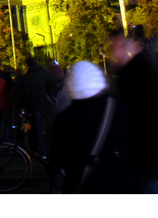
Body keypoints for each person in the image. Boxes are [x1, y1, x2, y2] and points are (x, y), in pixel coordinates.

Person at [108, 28, 158, 193]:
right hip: (142, 157)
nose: (115, 53)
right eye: (113, 48)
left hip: (146, 156)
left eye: (118, 47)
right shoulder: (130, 73)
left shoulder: (141, 74)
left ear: (129, 46)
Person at [48, 60, 131, 193]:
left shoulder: (65, 120)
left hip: (85, 185)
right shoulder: (118, 107)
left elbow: (57, 160)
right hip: (120, 182)